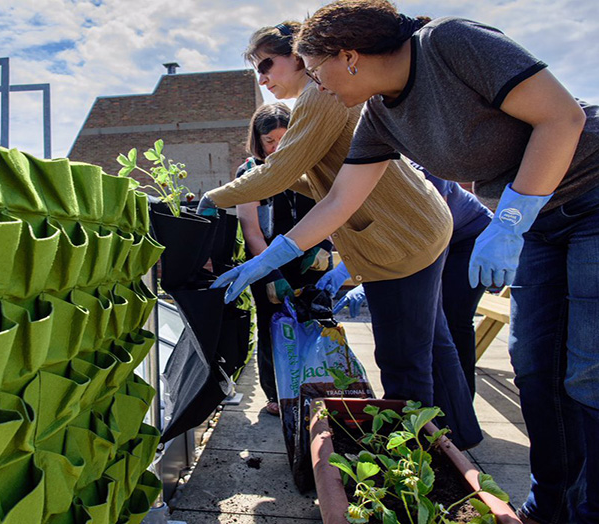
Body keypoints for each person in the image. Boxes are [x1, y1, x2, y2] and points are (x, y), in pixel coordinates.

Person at [294, 2, 599, 521]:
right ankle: (549, 505)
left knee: (589, 369)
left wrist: (508, 222)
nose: (316, 85)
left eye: (315, 70)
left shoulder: (449, 42)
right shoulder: (380, 116)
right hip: (538, 224)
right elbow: (340, 200)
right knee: (535, 367)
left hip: (590, 196)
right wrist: (274, 256)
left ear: (348, 56)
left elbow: (561, 116)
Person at [196, 21, 483, 450]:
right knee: (433, 345)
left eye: (267, 64)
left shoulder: (320, 97)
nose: (262, 79)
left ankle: (415, 460)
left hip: (400, 238)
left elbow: (281, 172)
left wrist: (214, 197)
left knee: (402, 358)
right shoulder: (320, 98)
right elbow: (315, 181)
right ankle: (459, 437)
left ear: (298, 55)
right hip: (419, 225)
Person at [320, 168, 493, 397]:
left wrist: (369, 279)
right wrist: (347, 271)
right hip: (424, 240)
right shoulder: (361, 173)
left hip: (467, 236)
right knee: (428, 326)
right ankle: (434, 401)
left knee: (454, 320)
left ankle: (460, 400)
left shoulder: (423, 170)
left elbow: (432, 230)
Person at [235, 102, 332, 416]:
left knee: (315, 324)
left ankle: (316, 387)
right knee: (272, 328)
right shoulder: (250, 173)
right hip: (267, 263)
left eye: (284, 138)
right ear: (258, 141)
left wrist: (324, 245)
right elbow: (252, 231)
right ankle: (277, 394)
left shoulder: (313, 166)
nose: (277, 147)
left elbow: (332, 208)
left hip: (310, 261)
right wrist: (271, 272)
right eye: (269, 141)